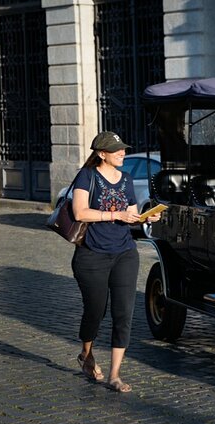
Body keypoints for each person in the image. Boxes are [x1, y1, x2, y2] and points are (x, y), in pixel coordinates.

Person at [70, 131, 161, 392]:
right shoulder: (87, 176)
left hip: (124, 253)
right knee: (95, 311)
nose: (122, 152)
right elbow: (79, 212)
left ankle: (115, 374)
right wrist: (114, 214)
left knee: (124, 313)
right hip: (92, 255)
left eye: (122, 148)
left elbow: (130, 213)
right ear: (101, 154)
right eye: (116, 149)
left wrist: (144, 218)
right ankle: (86, 354)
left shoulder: (127, 179)